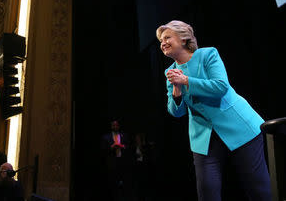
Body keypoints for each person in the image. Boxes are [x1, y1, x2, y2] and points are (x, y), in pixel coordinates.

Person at [156, 20, 271, 201]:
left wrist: (186, 81)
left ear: (184, 38)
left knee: (258, 189)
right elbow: (176, 112)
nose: (163, 42)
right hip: (203, 136)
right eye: (161, 40)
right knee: (208, 192)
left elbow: (220, 87)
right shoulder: (169, 72)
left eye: (167, 37)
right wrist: (177, 91)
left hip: (239, 127)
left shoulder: (207, 54)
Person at [100, 120, 131, 201]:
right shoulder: (106, 137)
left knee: (122, 184)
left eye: (116, 125)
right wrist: (111, 147)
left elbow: (129, 147)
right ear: (111, 126)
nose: (115, 127)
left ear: (119, 126)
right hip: (111, 163)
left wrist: (122, 146)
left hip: (122, 162)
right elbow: (103, 149)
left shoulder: (124, 135)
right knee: (112, 183)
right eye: (113, 125)